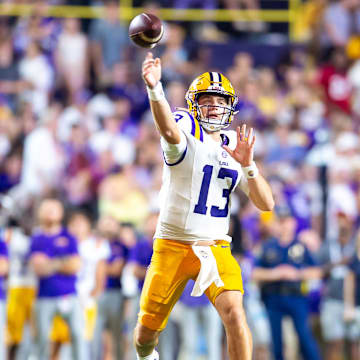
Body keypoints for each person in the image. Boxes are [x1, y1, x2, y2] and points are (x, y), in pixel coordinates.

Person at [133, 52, 275, 360]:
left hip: (214, 247)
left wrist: (250, 166)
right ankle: (147, 356)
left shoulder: (234, 145)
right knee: (145, 334)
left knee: (235, 314)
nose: (214, 106)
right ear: (195, 104)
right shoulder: (185, 125)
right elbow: (169, 130)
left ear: (230, 107)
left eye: (220, 101)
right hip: (171, 245)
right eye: (207, 100)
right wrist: (155, 89)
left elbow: (267, 203)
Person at [252, 207, 323, 360]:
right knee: (276, 341)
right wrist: (275, 273)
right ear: (276, 224)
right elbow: (254, 273)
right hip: (273, 297)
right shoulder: (268, 246)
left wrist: (297, 274)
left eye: (287, 221)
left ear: (293, 223)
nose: (284, 225)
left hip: (296, 297)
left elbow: (317, 271)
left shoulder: (301, 246)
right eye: (281, 221)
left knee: (304, 337)